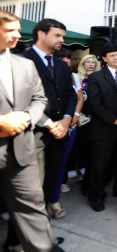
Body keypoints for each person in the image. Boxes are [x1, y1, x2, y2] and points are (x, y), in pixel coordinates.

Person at [0, 11, 65, 252]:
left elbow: (39, 99)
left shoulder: (24, 64)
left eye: (19, 29)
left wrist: (27, 117)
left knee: (33, 207)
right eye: (11, 30)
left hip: (21, 152)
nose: (18, 34)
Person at [22, 19, 77, 220]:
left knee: (49, 183)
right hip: (33, 136)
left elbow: (71, 95)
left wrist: (66, 120)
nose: (62, 40)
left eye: (63, 36)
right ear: (41, 34)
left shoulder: (61, 66)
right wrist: (49, 123)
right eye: (57, 35)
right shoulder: (22, 61)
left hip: (58, 135)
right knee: (30, 192)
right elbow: (21, 100)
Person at [86, 43, 117, 212]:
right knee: (100, 166)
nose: (116, 57)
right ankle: (96, 196)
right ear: (104, 59)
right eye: (112, 55)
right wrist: (114, 120)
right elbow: (94, 104)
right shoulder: (96, 77)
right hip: (103, 128)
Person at [67, 54, 99, 197]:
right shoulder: (76, 77)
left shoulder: (99, 77)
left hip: (93, 115)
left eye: (93, 62)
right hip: (78, 114)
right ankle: (72, 166)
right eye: (88, 62)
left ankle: (84, 166)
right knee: (75, 142)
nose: (91, 64)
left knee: (88, 142)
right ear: (83, 64)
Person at [52, 49, 84, 195]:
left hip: (70, 123)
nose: (65, 60)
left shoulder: (74, 76)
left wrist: (75, 115)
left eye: (67, 58)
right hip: (51, 124)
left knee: (65, 155)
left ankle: (61, 182)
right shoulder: (48, 74)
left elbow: (79, 98)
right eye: (61, 57)